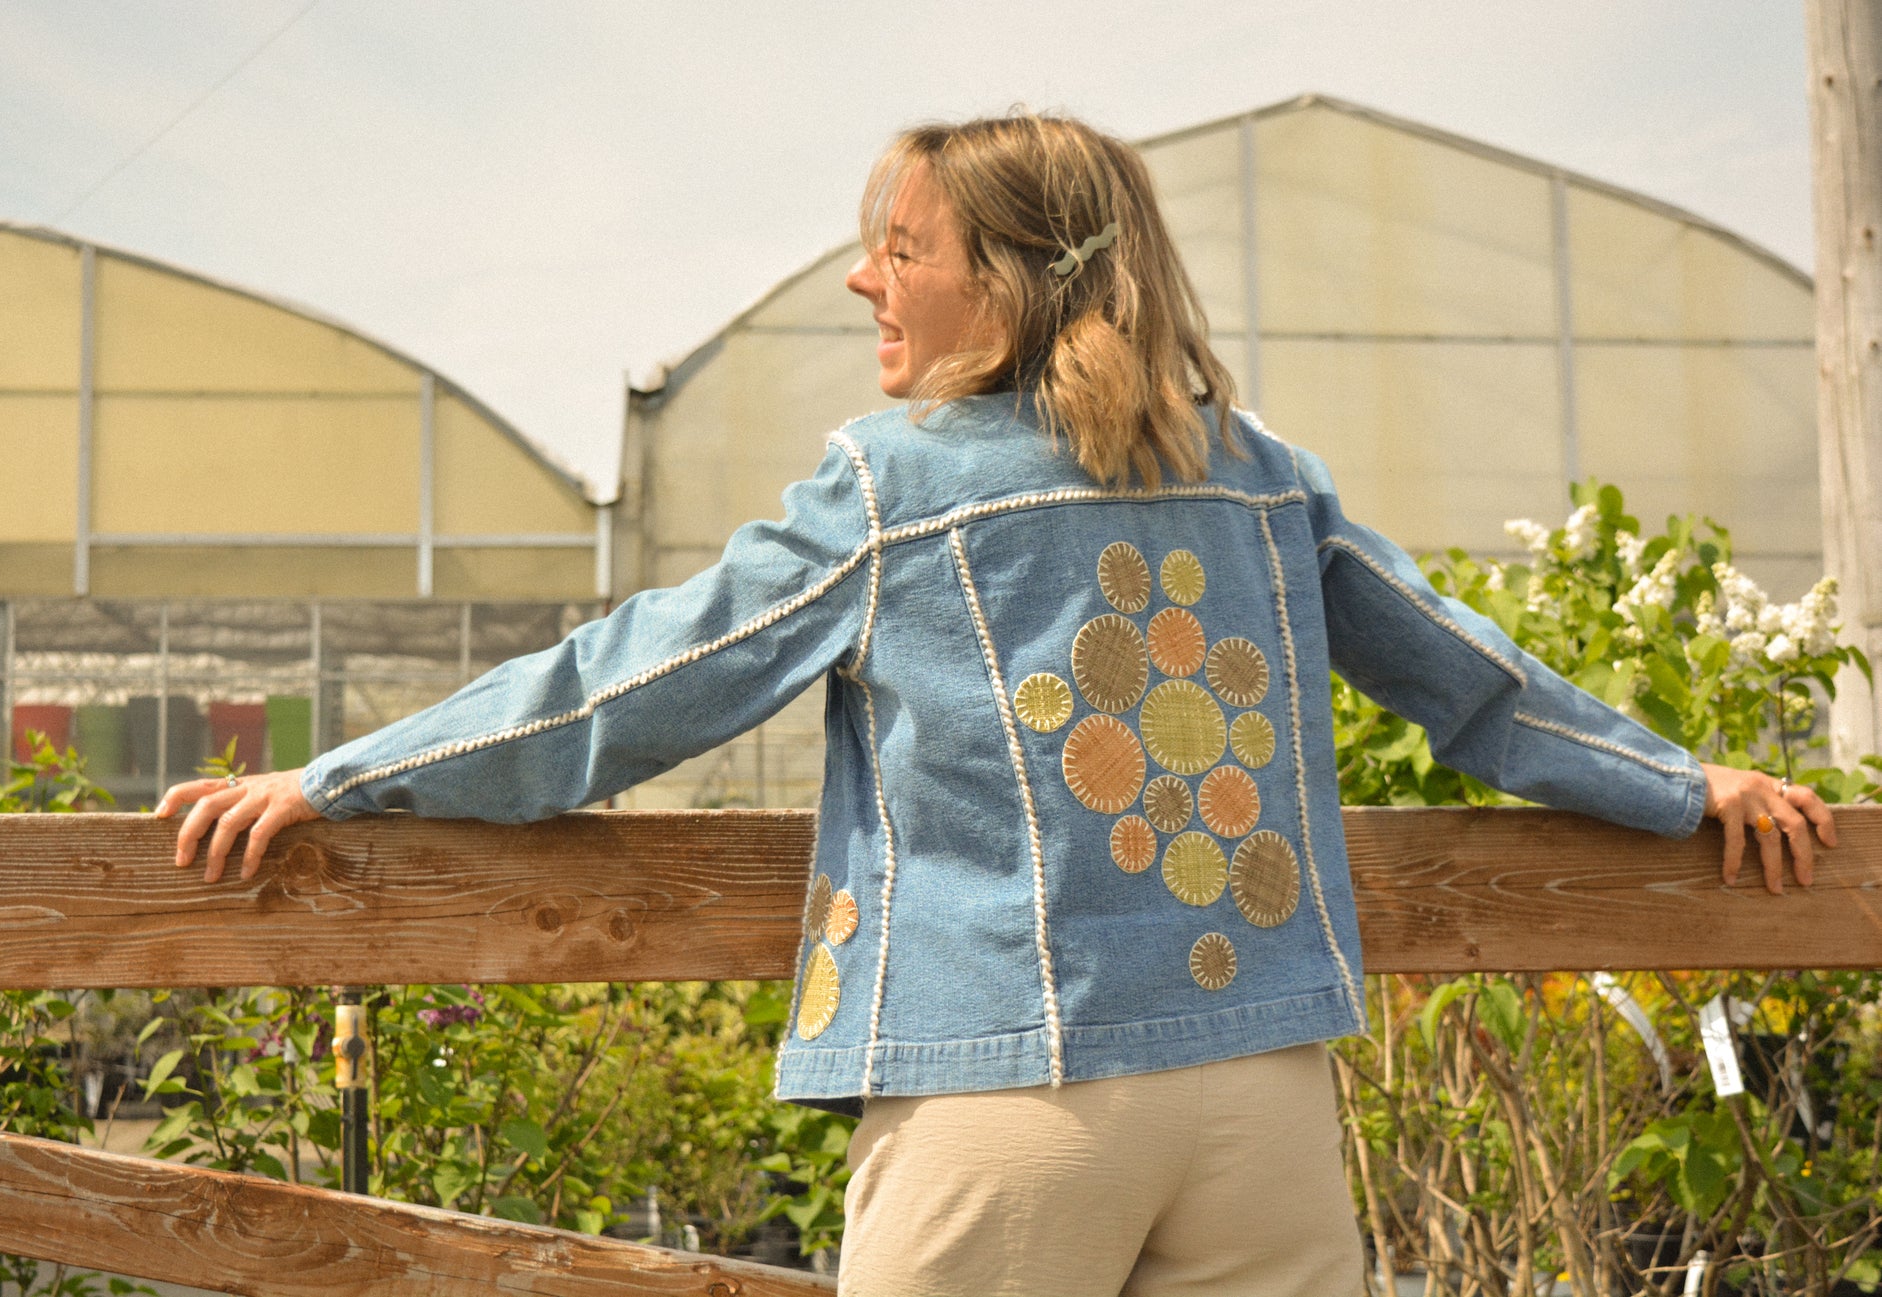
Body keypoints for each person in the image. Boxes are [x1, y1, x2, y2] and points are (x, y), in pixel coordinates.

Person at [158, 112, 1837, 1296]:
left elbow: (642, 683)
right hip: (1263, 1099)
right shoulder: (1256, 478)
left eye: (900, 250)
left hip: (1010, 1101)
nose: (859, 283)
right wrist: (1683, 782)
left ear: (1014, 279)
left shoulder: (896, 488)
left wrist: (354, 774)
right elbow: (1472, 684)